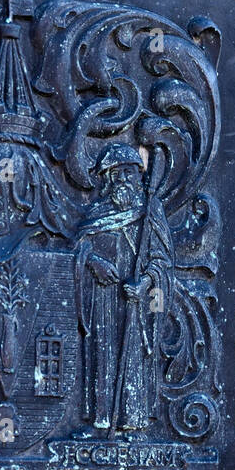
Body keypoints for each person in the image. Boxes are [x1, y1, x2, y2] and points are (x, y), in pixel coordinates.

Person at [75, 143, 173, 433]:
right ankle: (101, 422)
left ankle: (133, 426)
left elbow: (162, 259)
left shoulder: (149, 211)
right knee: (102, 357)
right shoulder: (96, 213)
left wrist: (145, 283)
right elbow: (78, 249)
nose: (123, 179)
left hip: (135, 302)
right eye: (117, 173)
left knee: (132, 359)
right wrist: (92, 262)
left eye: (130, 172)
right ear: (106, 178)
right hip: (102, 300)